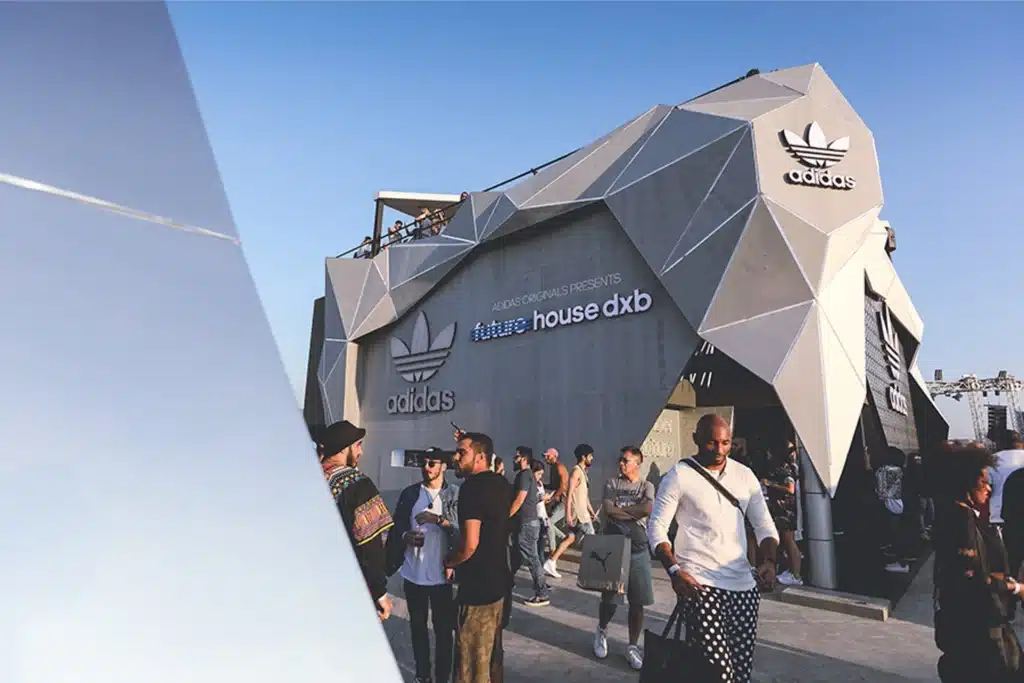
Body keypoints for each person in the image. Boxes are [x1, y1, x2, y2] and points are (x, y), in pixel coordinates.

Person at [649, 414, 779, 683]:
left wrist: (769, 561)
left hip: (744, 587)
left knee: (740, 672)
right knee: (718, 673)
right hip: (700, 585)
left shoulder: (745, 476)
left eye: (725, 443)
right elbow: (657, 528)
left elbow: (765, 525)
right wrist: (674, 571)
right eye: (711, 443)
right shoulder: (679, 475)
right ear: (695, 439)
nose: (719, 450)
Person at [931, 440, 1023, 682]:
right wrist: (1016, 588)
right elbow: (974, 581)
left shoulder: (955, 514)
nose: (989, 489)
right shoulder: (962, 521)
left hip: (963, 624)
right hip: (977, 627)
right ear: (965, 484)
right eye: (984, 483)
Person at [444, 431, 514, 683]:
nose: (456, 457)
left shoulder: (471, 489)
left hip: (477, 589)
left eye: (462, 452)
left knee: (471, 665)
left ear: (481, 457)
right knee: (494, 658)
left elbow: (470, 545)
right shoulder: (502, 484)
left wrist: (449, 561)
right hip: (500, 584)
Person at [385, 452, 461, 683]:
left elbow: (461, 532)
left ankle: (441, 677)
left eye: (432, 464)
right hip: (413, 574)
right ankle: (422, 675)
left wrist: (437, 520)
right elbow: (396, 527)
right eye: (424, 464)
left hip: (441, 576)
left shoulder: (454, 494)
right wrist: (406, 536)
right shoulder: (410, 494)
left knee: (443, 631)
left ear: (443, 466)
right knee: (417, 628)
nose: (426, 468)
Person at [317, 420, 394, 621]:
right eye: (358, 445)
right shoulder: (358, 485)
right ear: (346, 447)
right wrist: (380, 593)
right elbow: (371, 545)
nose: (361, 452)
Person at [593, 446, 656, 670]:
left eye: (626, 460)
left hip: (639, 548)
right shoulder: (612, 484)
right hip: (614, 547)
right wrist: (633, 511)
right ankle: (601, 629)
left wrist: (624, 510)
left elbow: (648, 508)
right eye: (620, 460)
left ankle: (632, 645)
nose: (621, 463)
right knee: (610, 598)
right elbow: (609, 510)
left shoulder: (646, 486)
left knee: (637, 602)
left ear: (638, 464)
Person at [546, 444, 596, 576]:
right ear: (583, 457)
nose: (592, 458)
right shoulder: (576, 472)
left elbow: (584, 496)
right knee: (592, 540)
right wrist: (568, 514)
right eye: (590, 456)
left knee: (570, 538)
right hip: (579, 515)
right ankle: (593, 570)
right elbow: (569, 494)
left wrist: (591, 511)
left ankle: (551, 561)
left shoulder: (583, 472)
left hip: (583, 513)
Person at [509, 446, 550, 607]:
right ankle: (506, 580)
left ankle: (542, 593)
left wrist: (507, 516)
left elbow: (520, 499)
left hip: (527, 522)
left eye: (517, 456)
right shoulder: (528, 476)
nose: (514, 459)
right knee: (518, 555)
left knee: (532, 559)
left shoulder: (524, 476)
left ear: (524, 459)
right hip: (528, 523)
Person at [762, 441, 802, 586]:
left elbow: (790, 488)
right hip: (782, 509)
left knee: (789, 541)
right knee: (786, 542)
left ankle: (796, 575)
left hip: (786, 509)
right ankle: (792, 570)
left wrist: (770, 484)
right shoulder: (786, 467)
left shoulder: (784, 469)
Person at [542, 447, 570, 576]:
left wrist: (553, 499)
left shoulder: (559, 467)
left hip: (563, 501)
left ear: (554, 456)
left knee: (549, 524)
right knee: (549, 524)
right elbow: (554, 486)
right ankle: (563, 541)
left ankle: (556, 551)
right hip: (558, 501)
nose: (545, 458)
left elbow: (563, 486)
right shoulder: (553, 468)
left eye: (547, 456)